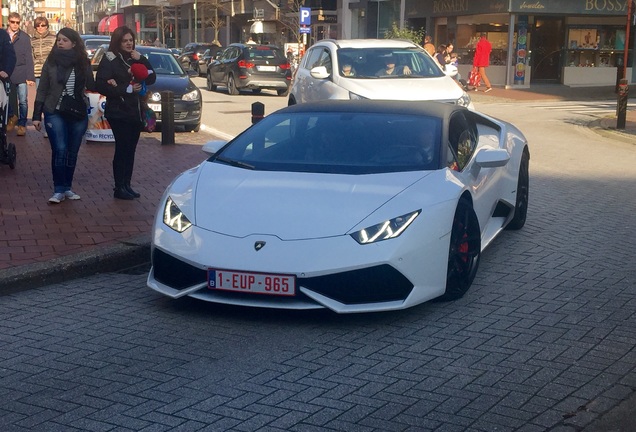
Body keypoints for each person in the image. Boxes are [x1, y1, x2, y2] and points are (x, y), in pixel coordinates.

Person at [32, 28, 95, 204]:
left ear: (74, 43)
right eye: (59, 39)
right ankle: (58, 189)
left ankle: (67, 187)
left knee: (72, 152)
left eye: (65, 40)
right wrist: (37, 115)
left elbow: (91, 84)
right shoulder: (51, 62)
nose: (60, 42)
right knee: (59, 149)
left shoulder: (83, 62)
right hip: (54, 111)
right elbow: (42, 88)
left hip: (77, 112)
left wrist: (89, 66)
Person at [95, 26, 156, 200]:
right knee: (122, 148)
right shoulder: (110, 59)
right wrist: (125, 89)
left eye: (131, 40)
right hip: (119, 111)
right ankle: (119, 186)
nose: (129, 43)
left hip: (135, 110)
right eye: (125, 41)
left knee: (131, 149)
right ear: (118, 41)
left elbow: (151, 78)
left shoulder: (135, 58)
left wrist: (143, 59)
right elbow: (100, 84)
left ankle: (127, 184)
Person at [6, 12, 35, 136]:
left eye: (17, 22)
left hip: (22, 72)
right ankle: (12, 118)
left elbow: (29, 57)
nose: (15, 25)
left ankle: (22, 124)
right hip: (7, 73)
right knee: (8, 100)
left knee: (23, 100)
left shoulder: (24, 37)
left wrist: (30, 76)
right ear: (9, 22)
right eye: (13, 22)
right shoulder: (3, 36)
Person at [31, 16, 56, 138]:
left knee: (50, 99)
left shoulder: (53, 38)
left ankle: (49, 126)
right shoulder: (32, 40)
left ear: (47, 26)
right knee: (41, 99)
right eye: (38, 25)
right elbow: (31, 58)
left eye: (43, 25)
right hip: (38, 73)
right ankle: (46, 124)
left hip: (51, 72)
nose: (40, 28)